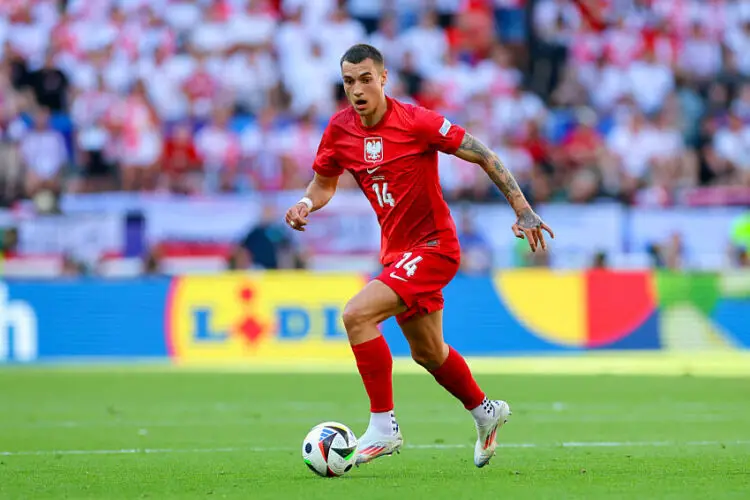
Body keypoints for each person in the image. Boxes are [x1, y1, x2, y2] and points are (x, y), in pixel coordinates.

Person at [284, 44, 553, 468]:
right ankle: (486, 412)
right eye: (349, 81)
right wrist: (305, 203)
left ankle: (383, 427)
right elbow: (324, 183)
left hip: (434, 247)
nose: (357, 89)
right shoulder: (339, 130)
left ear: (384, 78)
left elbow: (483, 153)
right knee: (429, 353)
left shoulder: (417, 122)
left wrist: (522, 209)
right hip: (397, 255)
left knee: (357, 314)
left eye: (366, 79)